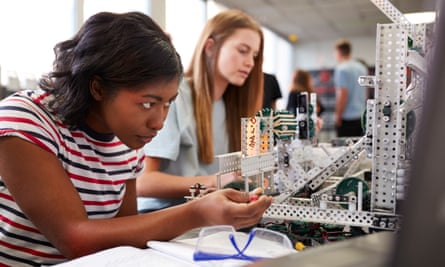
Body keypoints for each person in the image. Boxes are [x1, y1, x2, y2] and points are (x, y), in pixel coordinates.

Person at [0, 12, 272, 266]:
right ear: (98, 88)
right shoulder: (26, 121)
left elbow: (126, 233)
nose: (159, 122)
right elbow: (75, 239)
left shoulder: (126, 139)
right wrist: (197, 212)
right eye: (148, 103)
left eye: (168, 104)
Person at [137, 9, 265, 213]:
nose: (250, 62)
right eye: (242, 50)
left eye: (255, 55)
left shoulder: (230, 107)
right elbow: (143, 182)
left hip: (207, 218)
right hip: (164, 219)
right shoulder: (175, 96)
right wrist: (215, 181)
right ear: (210, 47)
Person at [333, 39, 367, 137]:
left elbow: (342, 95)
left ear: (338, 52)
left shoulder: (341, 69)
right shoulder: (362, 68)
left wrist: (338, 116)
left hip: (347, 119)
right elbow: (366, 92)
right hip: (361, 116)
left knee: (346, 150)